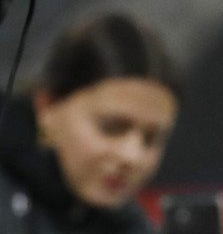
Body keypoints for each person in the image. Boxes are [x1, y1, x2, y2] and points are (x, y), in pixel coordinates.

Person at [0, 12, 180, 234]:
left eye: (152, 139)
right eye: (111, 128)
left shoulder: (128, 224)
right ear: (47, 106)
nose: (131, 156)